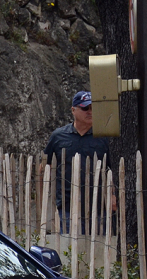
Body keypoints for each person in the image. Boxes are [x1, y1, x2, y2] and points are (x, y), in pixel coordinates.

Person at [44, 91, 110, 233]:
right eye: (85, 108)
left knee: (98, 249)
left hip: (98, 207)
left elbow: (112, 167)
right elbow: (46, 164)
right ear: (73, 110)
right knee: (69, 248)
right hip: (67, 206)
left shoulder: (104, 136)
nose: (90, 112)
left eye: (93, 108)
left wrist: (113, 195)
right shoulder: (59, 136)